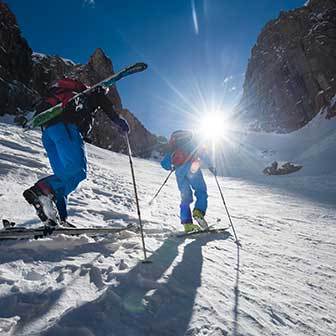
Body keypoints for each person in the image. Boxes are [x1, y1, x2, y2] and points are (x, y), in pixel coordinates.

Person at [23, 77, 129, 227]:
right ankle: (40, 190)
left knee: (63, 181)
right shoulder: (93, 93)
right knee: (78, 171)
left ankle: (59, 218)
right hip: (66, 128)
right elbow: (104, 103)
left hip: (48, 133)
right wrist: (119, 121)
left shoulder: (68, 94)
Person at [160, 130, 215, 233]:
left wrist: (172, 166)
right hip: (192, 168)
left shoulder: (172, 148)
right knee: (200, 190)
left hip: (179, 173)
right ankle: (198, 211)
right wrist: (211, 165)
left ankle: (187, 224)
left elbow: (164, 164)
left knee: (185, 197)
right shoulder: (191, 143)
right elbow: (202, 153)